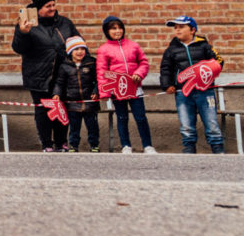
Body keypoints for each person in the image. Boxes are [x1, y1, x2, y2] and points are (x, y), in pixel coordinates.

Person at [11, 0, 74, 152]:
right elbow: (19, 48)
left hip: (62, 74)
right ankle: (47, 143)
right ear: (38, 9)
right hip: (39, 75)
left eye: (53, 5)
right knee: (43, 110)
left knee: (62, 107)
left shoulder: (64, 23)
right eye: (48, 6)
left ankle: (61, 142)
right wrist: (23, 33)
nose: (52, 8)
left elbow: (77, 43)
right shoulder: (27, 25)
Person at [158, 16, 226, 154]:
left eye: (181, 27)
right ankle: (189, 146)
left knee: (211, 120)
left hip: (205, 90)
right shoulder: (171, 49)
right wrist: (167, 85)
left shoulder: (204, 46)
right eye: (175, 28)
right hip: (183, 92)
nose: (177, 30)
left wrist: (207, 72)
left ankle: (217, 146)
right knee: (186, 122)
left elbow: (219, 61)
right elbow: (165, 68)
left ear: (192, 30)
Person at [97, 16, 155, 154]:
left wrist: (139, 73)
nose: (117, 31)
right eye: (113, 28)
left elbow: (143, 63)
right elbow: (101, 72)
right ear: (107, 31)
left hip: (135, 88)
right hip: (117, 90)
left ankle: (148, 145)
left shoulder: (134, 45)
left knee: (141, 117)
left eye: (120, 28)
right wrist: (104, 92)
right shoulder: (103, 49)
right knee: (122, 118)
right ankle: (126, 145)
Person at [51, 35, 100, 152]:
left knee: (92, 126)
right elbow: (60, 82)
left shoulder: (91, 63)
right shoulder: (65, 66)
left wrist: (96, 91)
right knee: (74, 127)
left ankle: (94, 145)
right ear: (70, 52)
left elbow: (99, 80)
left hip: (90, 102)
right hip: (72, 103)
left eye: (82, 49)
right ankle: (73, 145)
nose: (80, 52)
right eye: (76, 49)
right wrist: (56, 94)